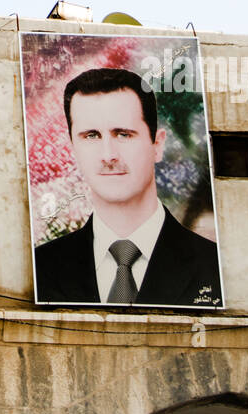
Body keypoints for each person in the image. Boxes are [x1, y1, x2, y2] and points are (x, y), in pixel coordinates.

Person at [33, 67, 223, 308]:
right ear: (72, 147)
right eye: (91, 136)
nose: (108, 155)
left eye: (123, 134)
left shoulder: (213, 265)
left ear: (157, 144)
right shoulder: (41, 267)